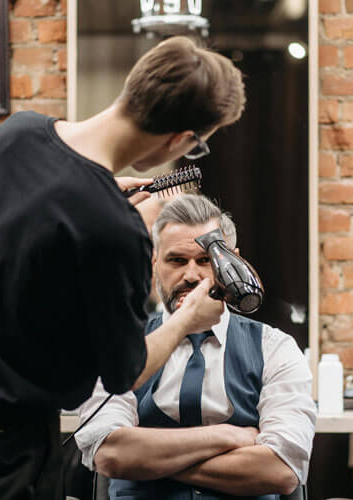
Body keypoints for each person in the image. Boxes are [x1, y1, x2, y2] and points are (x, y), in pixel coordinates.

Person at [0, 36, 245, 500]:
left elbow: (26, 231)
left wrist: (97, 193)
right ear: (180, 140)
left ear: (134, 84)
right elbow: (127, 372)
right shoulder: (114, 229)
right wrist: (187, 319)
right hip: (1, 453)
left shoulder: (15, 135)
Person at [76, 194, 317, 499]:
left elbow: (280, 470)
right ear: (154, 264)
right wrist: (227, 436)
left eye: (206, 260)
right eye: (176, 260)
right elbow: (111, 455)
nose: (191, 275)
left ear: (235, 264)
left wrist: (146, 462)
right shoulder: (118, 347)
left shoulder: (276, 349)